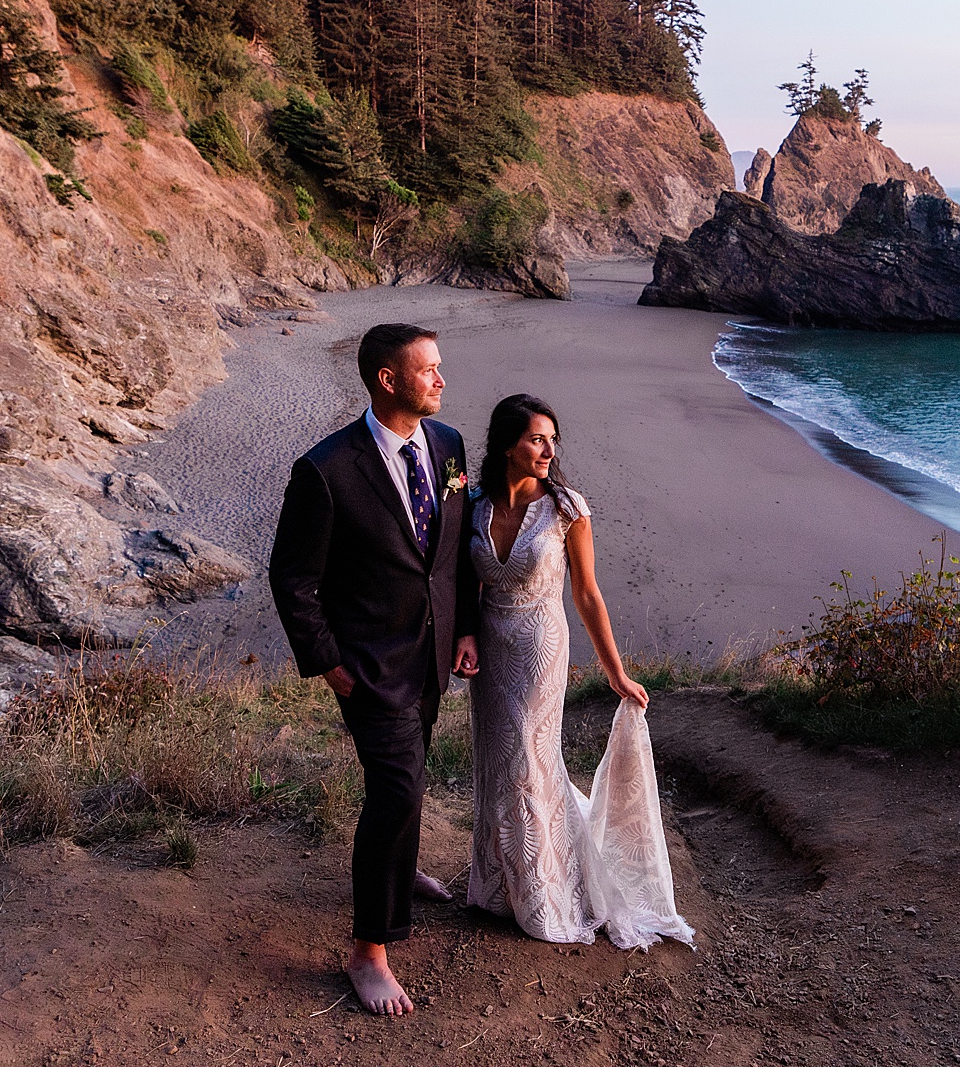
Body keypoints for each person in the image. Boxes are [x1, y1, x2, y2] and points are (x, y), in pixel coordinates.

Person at [269, 323, 480, 1016]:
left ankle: (395, 867)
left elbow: (449, 555)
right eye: (429, 371)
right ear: (388, 380)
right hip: (367, 665)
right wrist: (329, 663)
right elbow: (293, 579)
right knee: (398, 792)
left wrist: (466, 626)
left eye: (441, 367)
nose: (442, 381)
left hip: (433, 653)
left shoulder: (448, 447)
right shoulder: (326, 470)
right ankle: (369, 953)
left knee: (407, 777)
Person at [465, 393, 694, 951]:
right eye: (536, 438)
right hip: (491, 647)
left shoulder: (567, 508)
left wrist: (615, 671)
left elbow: (587, 594)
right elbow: (461, 584)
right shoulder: (471, 503)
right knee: (497, 759)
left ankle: (548, 889)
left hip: (542, 642)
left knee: (528, 751)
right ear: (506, 445)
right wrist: (463, 635)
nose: (548, 449)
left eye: (551, 439)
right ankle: (500, 885)